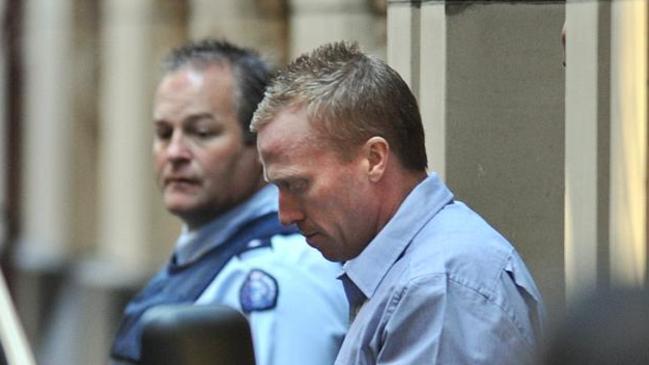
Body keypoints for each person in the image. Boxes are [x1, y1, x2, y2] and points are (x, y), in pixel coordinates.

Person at [252, 41, 546, 364]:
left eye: (296, 184)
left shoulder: (437, 287)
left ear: (374, 159)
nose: (285, 214)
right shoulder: (422, 276)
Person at [110, 39, 347, 365]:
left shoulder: (280, 273)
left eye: (202, 132)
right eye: (164, 133)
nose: (175, 152)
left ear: (260, 145)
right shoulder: (206, 248)